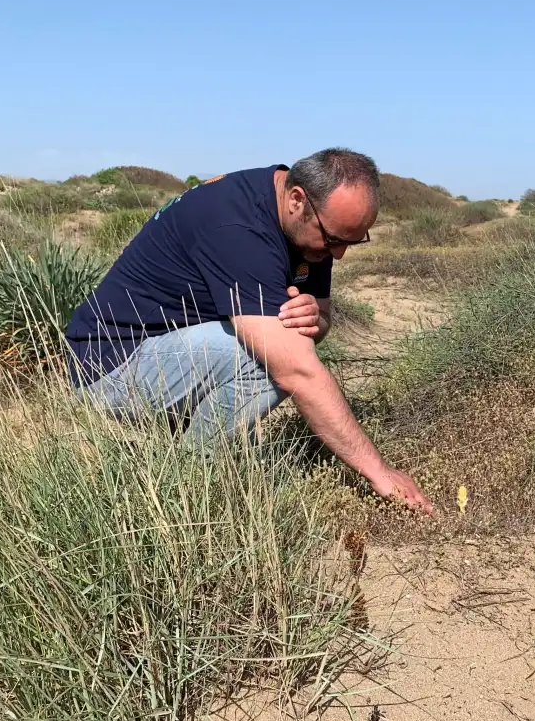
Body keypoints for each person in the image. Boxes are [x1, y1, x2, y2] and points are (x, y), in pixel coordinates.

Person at [65, 148, 432, 513]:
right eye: (335, 240)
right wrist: (378, 471)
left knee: (279, 344)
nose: (338, 255)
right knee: (265, 359)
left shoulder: (311, 227)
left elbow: (319, 318)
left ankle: (192, 462)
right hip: (109, 367)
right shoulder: (238, 227)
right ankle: (189, 483)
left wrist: (314, 320)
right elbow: (297, 371)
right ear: (296, 199)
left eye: (353, 242)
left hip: (172, 350)